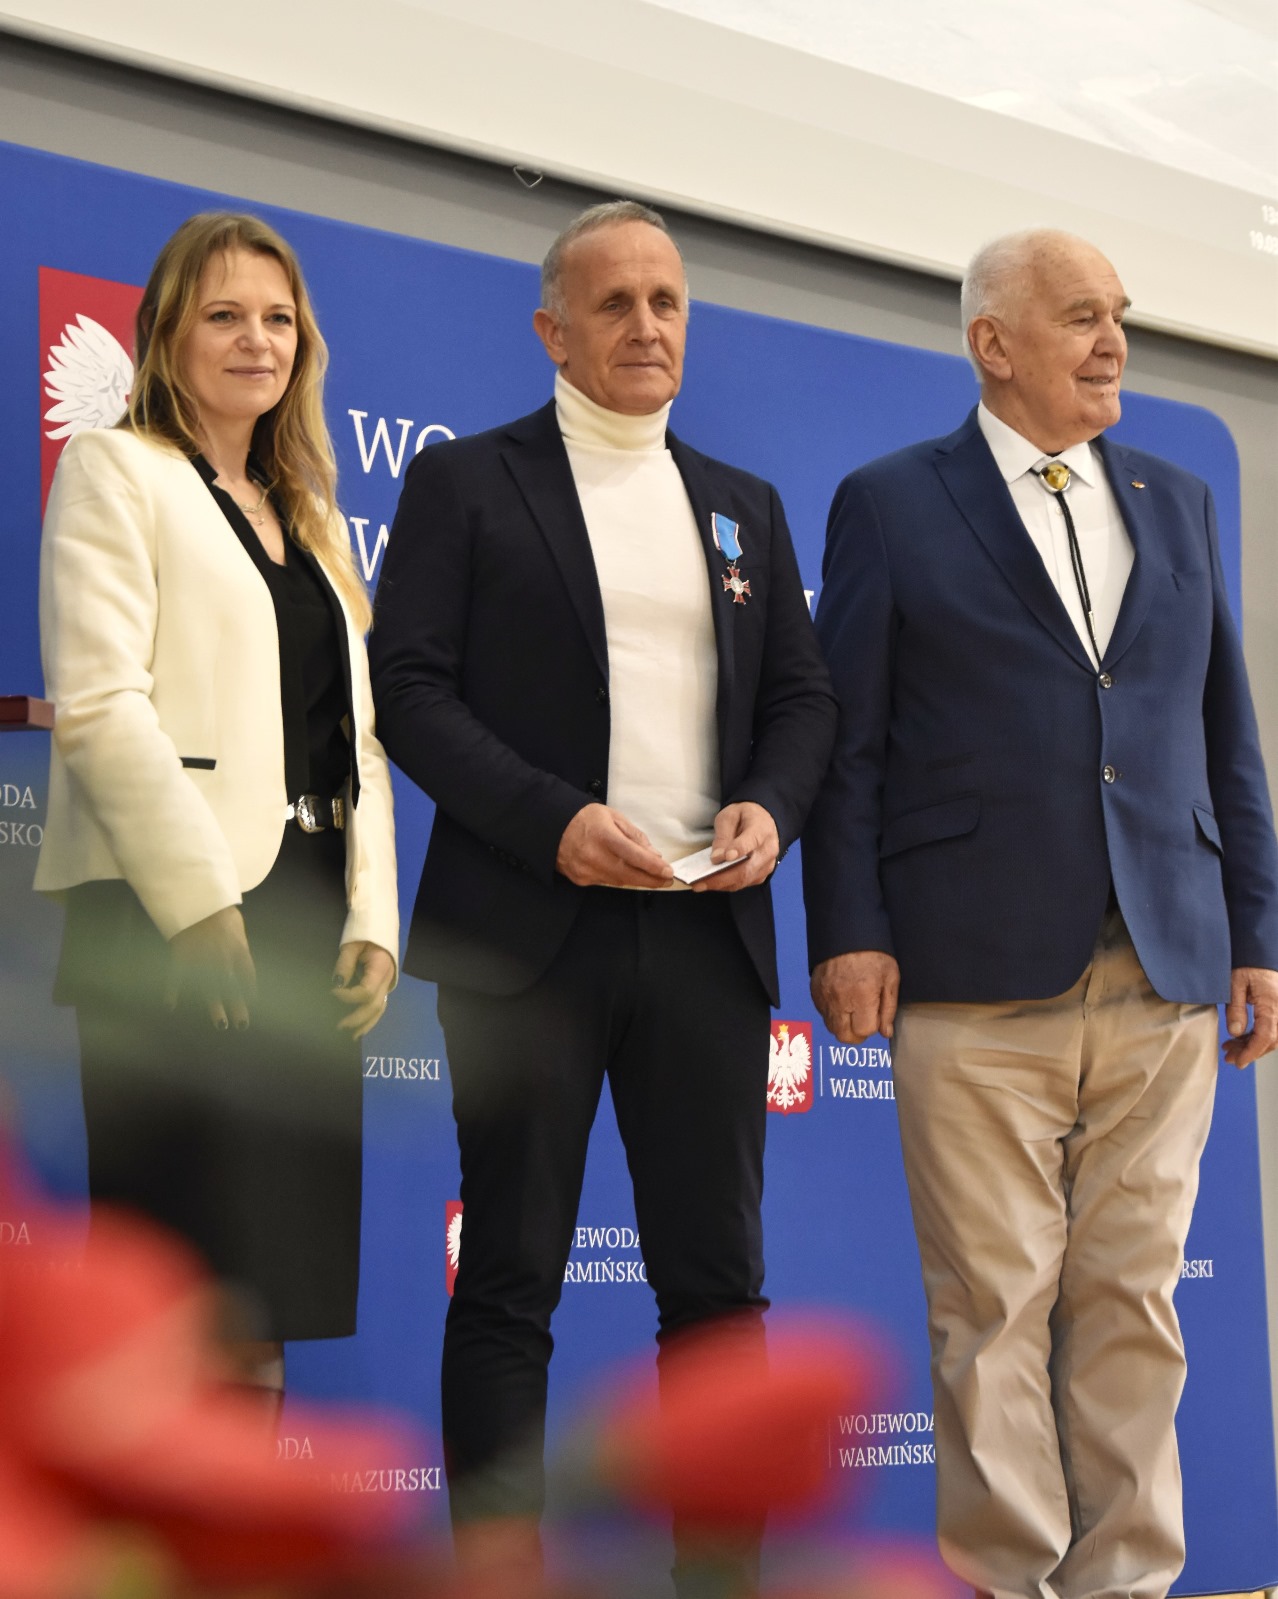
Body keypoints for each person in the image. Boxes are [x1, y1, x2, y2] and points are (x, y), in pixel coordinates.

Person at [803, 226, 1278, 1599]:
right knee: (991, 1308)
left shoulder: (1179, 498)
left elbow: (1224, 738)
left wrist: (1257, 934)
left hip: (1165, 962)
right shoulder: (892, 502)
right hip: (971, 971)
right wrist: (849, 927)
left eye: (1117, 312)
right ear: (991, 342)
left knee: (1134, 1302)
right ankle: (1010, 1582)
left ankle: (1124, 1584)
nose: (1112, 340)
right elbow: (850, 747)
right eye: (1079, 316)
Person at [370, 200, 836, 1594]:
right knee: (510, 1280)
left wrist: (773, 807)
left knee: (717, 1292)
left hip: (704, 939)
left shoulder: (744, 504)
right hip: (528, 936)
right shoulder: (467, 482)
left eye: (667, 300)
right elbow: (410, 690)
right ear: (552, 330)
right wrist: (553, 823)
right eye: (615, 301)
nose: (646, 324)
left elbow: (803, 700)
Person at [36, 212, 398, 1411]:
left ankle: (245, 1517)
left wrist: (372, 918)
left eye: (279, 319)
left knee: (271, 1297)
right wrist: (196, 902)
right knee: (182, 1302)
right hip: (170, 920)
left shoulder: (310, 513)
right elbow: (100, 706)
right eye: (225, 315)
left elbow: (360, 739)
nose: (258, 340)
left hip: (304, 920)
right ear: (166, 334)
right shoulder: (115, 470)